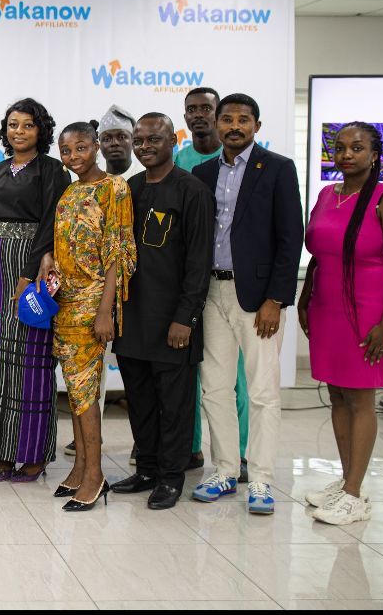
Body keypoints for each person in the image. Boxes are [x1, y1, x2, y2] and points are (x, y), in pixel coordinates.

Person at [191, 93, 304, 515]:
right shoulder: (203, 173)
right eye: (227, 119)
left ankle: (260, 480)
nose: (234, 126)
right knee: (216, 389)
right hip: (211, 293)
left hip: (257, 299)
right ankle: (223, 470)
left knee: (261, 392)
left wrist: (276, 298)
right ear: (217, 125)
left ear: (257, 125)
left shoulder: (277, 169)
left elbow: (291, 238)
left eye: (243, 119)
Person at [299, 122, 383, 524]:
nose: (347, 155)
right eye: (340, 148)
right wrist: (305, 295)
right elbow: (319, 252)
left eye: (357, 148)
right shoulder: (328, 194)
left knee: (361, 398)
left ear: (375, 154)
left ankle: (353, 495)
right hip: (327, 306)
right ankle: (350, 481)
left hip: (368, 311)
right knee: (337, 395)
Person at [111, 114, 214, 510]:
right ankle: (148, 468)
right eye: (139, 139)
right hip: (132, 316)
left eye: (154, 138)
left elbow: (198, 261)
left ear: (173, 139)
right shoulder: (129, 189)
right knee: (140, 399)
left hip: (173, 320)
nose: (145, 145)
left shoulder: (192, 191)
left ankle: (172, 477)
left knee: (174, 404)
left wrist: (184, 318)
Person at [0, 99, 69, 483]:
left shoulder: (52, 170)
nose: (19, 131)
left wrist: (27, 275)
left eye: (28, 125)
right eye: (13, 125)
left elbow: (50, 225)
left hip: (33, 269)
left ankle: (33, 453)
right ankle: (4, 449)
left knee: (31, 364)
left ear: (41, 130)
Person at [52, 120, 137, 512]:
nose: (73, 156)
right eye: (66, 150)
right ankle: (81, 466)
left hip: (93, 304)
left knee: (86, 393)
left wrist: (107, 311)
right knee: (76, 389)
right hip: (65, 303)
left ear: (97, 146)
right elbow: (65, 243)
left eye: (81, 148)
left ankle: (95, 476)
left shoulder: (114, 189)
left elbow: (118, 255)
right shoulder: (69, 192)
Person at [174, 86, 249, 475]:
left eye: (207, 108)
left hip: (229, 282)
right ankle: (191, 448)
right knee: (191, 371)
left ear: (219, 114)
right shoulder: (179, 161)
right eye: (192, 109)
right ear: (185, 117)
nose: (199, 114)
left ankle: (238, 452)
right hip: (189, 281)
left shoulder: (237, 162)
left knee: (234, 376)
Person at [99, 105, 142, 179]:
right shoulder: (94, 184)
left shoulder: (146, 179)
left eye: (122, 137)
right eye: (107, 139)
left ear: (133, 141)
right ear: (99, 144)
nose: (114, 143)